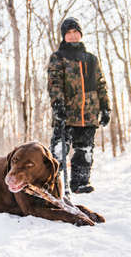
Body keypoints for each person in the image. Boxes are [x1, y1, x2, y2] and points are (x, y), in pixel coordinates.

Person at [47, 17, 110, 194]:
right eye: (69, 33)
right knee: (59, 150)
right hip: (66, 113)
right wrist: (57, 104)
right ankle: (54, 185)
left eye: (75, 32)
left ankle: (80, 183)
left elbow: (100, 84)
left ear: (80, 34)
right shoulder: (58, 57)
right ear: (64, 36)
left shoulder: (91, 59)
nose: (73, 36)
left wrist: (105, 107)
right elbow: (54, 82)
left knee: (85, 151)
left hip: (89, 113)